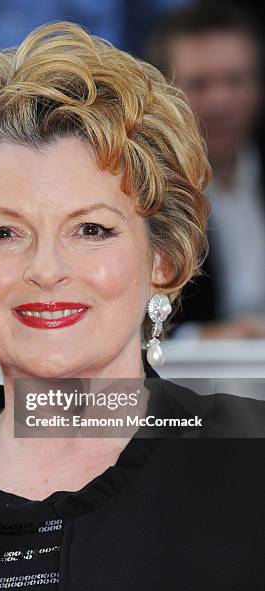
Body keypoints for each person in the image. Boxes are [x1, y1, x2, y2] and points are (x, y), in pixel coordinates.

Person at [0, 21, 264, 591]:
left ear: (162, 259)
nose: (45, 267)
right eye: (2, 233)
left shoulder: (249, 465)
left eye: (91, 229)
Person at [148, 1, 265, 339]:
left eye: (235, 80)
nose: (220, 101)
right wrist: (206, 338)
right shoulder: (145, 188)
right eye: (199, 84)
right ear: (164, 93)